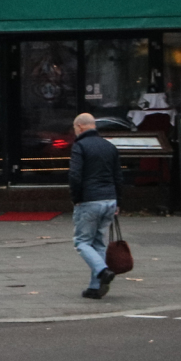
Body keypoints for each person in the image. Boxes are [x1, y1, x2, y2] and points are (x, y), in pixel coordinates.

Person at [68, 113, 123, 299]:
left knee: (82, 242)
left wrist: (76, 198)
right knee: (99, 242)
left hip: (89, 200)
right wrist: (118, 201)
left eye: (75, 128)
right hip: (109, 199)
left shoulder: (80, 146)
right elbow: (118, 177)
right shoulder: (109, 146)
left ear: (80, 127)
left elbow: (75, 176)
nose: (74, 131)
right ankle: (94, 287)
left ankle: (102, 271)